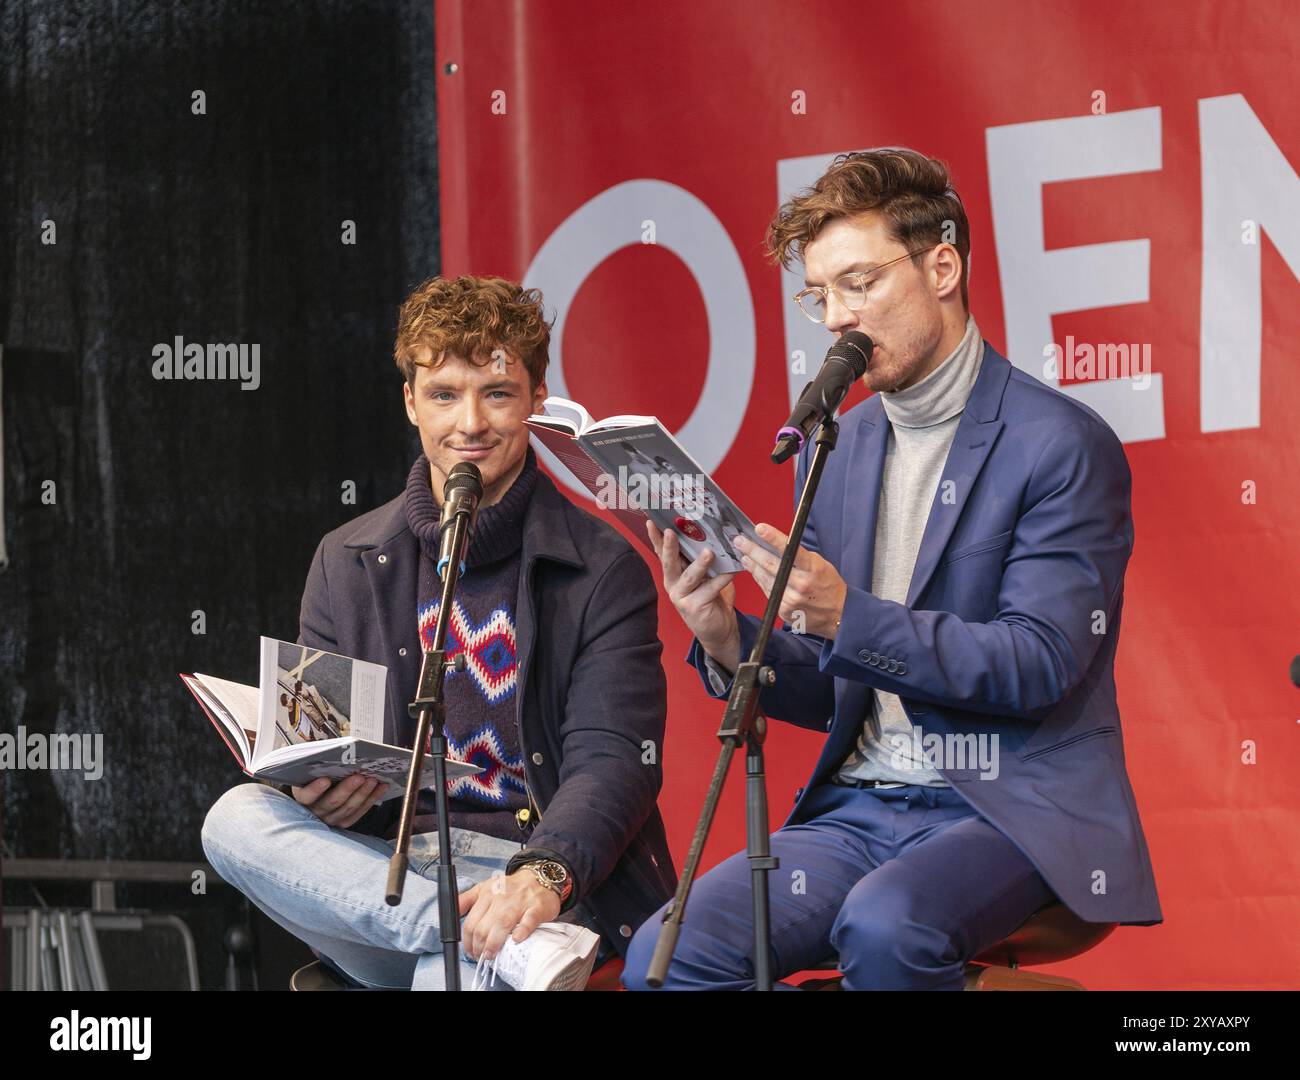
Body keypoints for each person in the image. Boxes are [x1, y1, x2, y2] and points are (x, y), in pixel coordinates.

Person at [622, 147, 1162, 991]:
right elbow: (832, 688)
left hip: (1004, 803)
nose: (837, 315)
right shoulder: (835, 449)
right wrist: (731, 638)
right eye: (820, 294)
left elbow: (1040, 665)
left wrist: (847, 616)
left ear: (942, 266)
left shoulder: (1060, 443)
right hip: (860, 812)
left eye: (860, 282)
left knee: (885, 928)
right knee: (671, 954)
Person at [202, 274, 675, 990]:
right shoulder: (346, 559)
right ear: (410, 404)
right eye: (445, 395)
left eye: (497, 393)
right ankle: (478, 937)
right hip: (380, 883)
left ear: (537, 404)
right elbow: (321, 738)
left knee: (443, 978)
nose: (470, 424)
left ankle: (492, 939)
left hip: (535, 877)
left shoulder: (603, 568)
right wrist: (316, 789)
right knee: (234, 820)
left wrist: (539, 876)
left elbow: (615, 763)